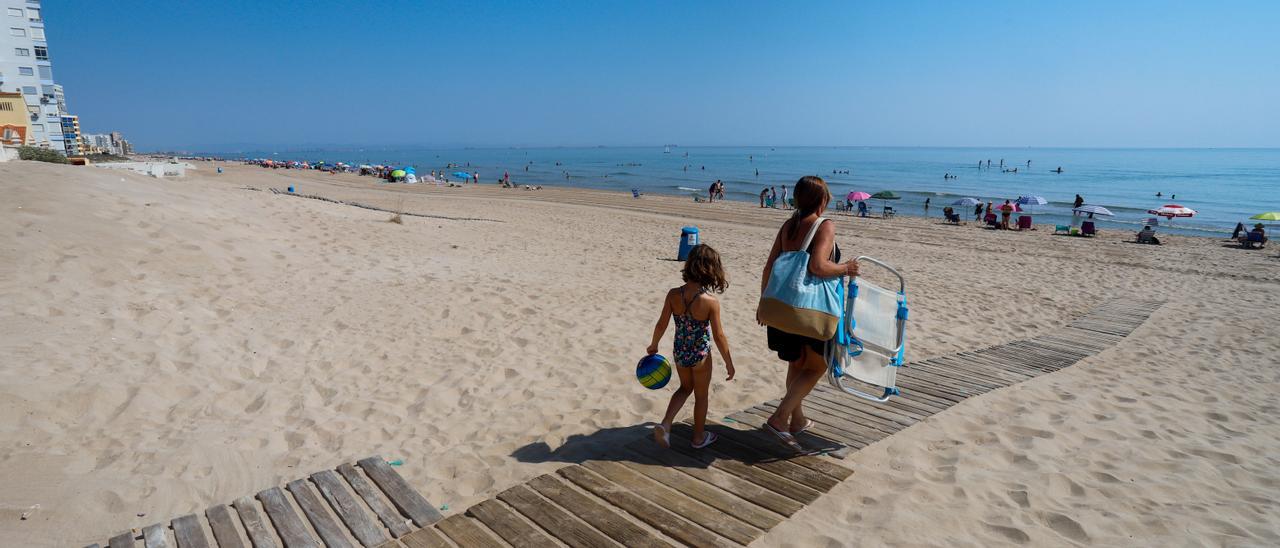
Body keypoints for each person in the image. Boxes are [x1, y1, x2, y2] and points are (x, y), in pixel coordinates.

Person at [757, 176, 858, 450]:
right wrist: (846, 268)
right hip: (810, 310)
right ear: (821, 200)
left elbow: (769, 266)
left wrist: (763, 302)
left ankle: (797, 419)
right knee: (816, 366)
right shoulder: (824, 225)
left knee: (797, 363)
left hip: (781, 306)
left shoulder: (788, 226)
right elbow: (818, 267)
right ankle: (779, 418)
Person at [647, 244, 735, 449]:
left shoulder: (673, 295)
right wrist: (729, 363)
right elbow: (719, 335)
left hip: (680, 352)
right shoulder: (710, 302)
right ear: (711, 270)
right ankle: (698, 437)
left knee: (684, 388)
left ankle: (666, 424)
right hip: (701, 355)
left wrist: (654, 344)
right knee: (701, 396)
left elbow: (661, 324)